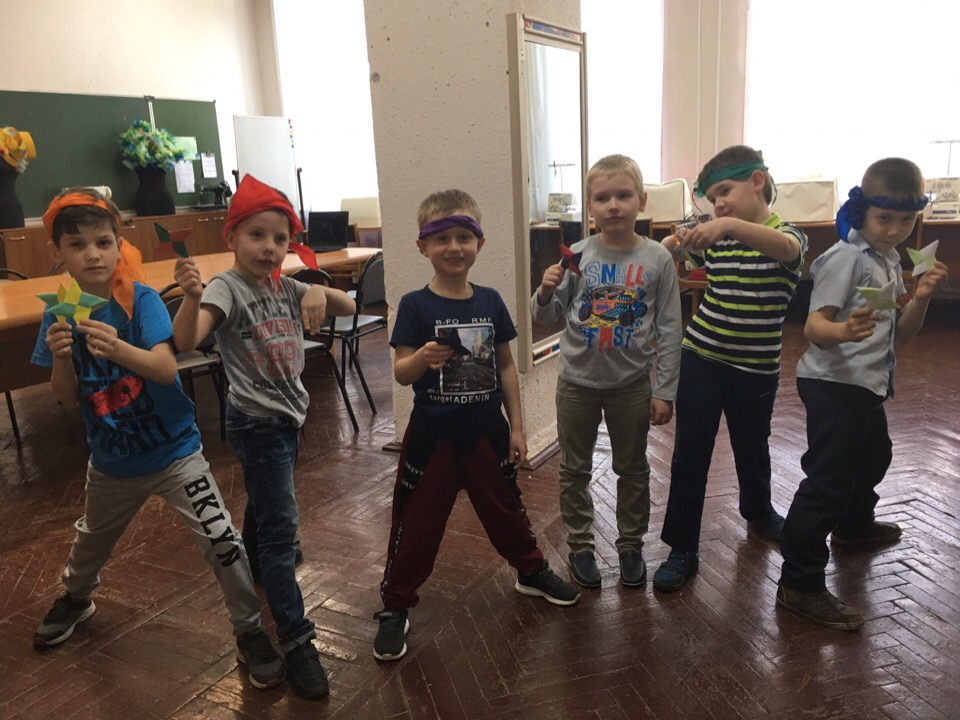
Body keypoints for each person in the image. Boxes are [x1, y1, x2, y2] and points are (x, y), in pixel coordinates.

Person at [30, 188, 286, 691]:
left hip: (174, 453)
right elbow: (65, 397)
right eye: (77, 245)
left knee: (221, 541)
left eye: (103, 242)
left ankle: (249, 629)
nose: (93, 255)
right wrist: (61, 358)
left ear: (119, 245)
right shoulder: (59, 311)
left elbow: (167, 370)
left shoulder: (140, 300)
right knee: (92, 539)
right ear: (58, 252)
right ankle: (76, 598)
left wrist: (116, 348)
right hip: (111, 461)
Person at [373, 189, 580, 662]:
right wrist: (422, 359)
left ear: (479, 244)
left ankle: (530, 571)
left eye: (464, 237)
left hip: (488, 433)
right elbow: (401, 373)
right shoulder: (414, 305)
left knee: (507, 509)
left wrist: (518, 428)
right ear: (423, 246)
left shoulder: (490, 300)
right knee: (417, 523)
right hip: (432, 438)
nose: (454, 246)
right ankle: (396, 604)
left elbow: (506, 366)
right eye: (441, 238)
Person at [173, 175, 355, 699]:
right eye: (257, 235)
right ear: (232, 237)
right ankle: (297, 640)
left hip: (288, 418)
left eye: (279, 238)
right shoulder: (227, 288)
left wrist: (316, 287)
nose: (270, 247)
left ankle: (254, 560)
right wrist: (191, 297)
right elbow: (188, 339)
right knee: (281, 534)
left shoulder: (285, 285)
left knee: (265, 500)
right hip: (257, 424)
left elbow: (346, 306)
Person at [777, 158, 948, 630]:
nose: (894, 230)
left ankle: (852, 528)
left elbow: (902, 335)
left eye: (906, 220)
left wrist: (922, 298)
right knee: (827, 482)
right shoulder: (846, 257)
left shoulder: (887, 258)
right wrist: (843, 331)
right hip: (833, 384)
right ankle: (799, 582)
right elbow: (814, 326)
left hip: (867, 384)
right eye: (884, 218)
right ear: (861, 210)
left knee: (875, 456)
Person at [654, 145, 808, 593]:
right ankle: (682, 547)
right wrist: (676, 242)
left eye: (725, 191)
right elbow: (670, 256)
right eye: (712, 198)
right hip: (700, 357)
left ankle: (758, 512)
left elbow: (786, 249)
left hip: (755, 369)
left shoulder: (789, 236)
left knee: (752, 446)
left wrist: (725, 225)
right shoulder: (717, 238)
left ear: (757, 181)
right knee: (690, 456)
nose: (718, 204)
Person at [530, 154, 682, 589]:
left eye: (623, 195)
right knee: (574, 469)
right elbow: (547, 315)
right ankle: (580, 545)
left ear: (641, 201)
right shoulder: (577, 255)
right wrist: (544, 292)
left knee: (632, 469)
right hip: (576, 383)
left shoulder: (658, 258)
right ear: (590, 206)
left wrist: (664, 390)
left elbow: (671, 328)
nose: (613, 205)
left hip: (631, 385)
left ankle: (630, 544)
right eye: (602, 198)